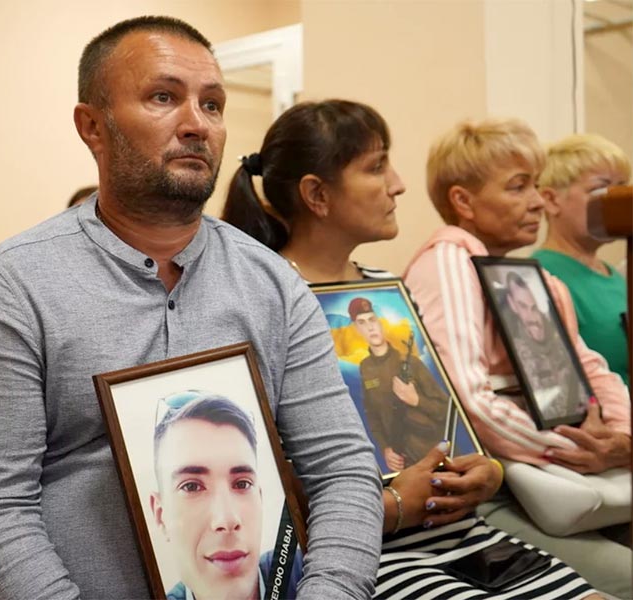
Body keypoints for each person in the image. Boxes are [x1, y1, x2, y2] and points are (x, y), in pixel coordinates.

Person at [0, 17, 382, 600]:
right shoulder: (13, 286)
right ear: (92, 127)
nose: (197, 124)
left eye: (213, 104)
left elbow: (343, 470)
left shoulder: (274, 284)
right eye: (163, 97)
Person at [221, 99, 598, 599]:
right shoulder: (264, 301)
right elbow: (266, 470)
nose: (398, 184)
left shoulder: (389, 287)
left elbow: (443, 413)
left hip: (463, 529)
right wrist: (393, 501)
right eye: (377, 168)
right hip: (371, 550)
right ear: (317, 195)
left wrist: (486, 470)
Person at [402, 117, 631, 596]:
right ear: (463, 201)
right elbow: (469, 398)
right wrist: (577, 450)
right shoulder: (450, 259)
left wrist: (621, 438)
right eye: (518, 187)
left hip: (560, 472)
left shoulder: (530, 276)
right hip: (504, 486)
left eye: (537, 185)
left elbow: (590, 366)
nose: (536, 202)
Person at [150, 391, 302, 600]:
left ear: (260, 498)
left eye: (242, 484)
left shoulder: (311, 569)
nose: (227, 519)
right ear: (160, 515)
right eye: (192, 487)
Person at [533, 133, 631, 385]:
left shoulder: (613, 275)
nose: (614, 199)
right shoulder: (541, 276)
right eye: (600, 189)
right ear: (551, 200)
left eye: (622, 187)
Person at [348, 297, 450, 472]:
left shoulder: (411, 362)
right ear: (357, 329)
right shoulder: (366, 368)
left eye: (372, 320)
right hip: (404, 463)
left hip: (435, 456)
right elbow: (372, 415)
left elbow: (447, 411)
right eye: (362, 322)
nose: (370, 327)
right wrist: (385, 449)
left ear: (381, 323)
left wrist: (417, 400)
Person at [501, 271, 586, 422]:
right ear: (513, 305)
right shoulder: (518, 349)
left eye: (534, 308)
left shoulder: (559, 333)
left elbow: (588, 365)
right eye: (523, 307)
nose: (531, 317)